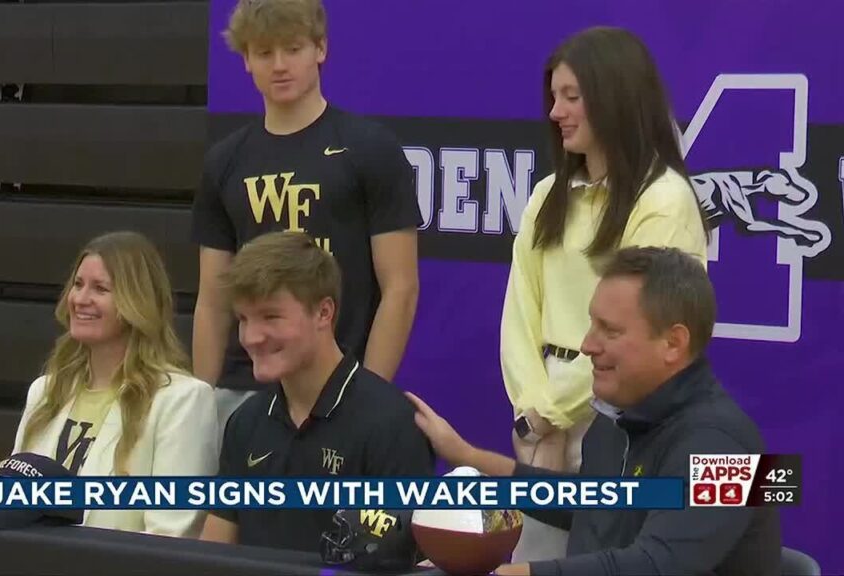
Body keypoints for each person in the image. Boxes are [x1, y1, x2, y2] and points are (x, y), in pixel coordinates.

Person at [409, 246, 781, 576]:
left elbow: (660, 564)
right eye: (591, 324)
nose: (587, 345)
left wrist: (522, 573)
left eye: (610, 330)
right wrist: (469, 456)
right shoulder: (613, 420)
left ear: (673, 343)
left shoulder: (732, 447)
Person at [499, 26, 710, 561]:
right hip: (539, 423)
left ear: (614, 97)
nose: (555, 112)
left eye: (572, 96)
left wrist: (553, 414)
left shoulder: (663, 199)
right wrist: (531, 412)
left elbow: (637, 329)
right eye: (553, 97)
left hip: (616, 425)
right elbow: (520, 310)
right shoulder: (548, 193)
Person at [191, 0, 421, 429]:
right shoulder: (224, 161)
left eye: (293, 49)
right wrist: (200, 402)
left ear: (320, 48)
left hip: (338, 384)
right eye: (264, 52)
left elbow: (401, 288)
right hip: (242, 390)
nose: (279, 65)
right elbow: (212, 299)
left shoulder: (370, 149)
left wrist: (366, 396)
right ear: (245, 60)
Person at [198, 230, 434, 552]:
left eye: (271, 316)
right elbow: (212, 555)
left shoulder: (392, 425)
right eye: (243, 318)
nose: (251, 337)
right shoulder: (245, 423)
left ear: (324, 312)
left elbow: (401, 561)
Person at [13, 231, 219, 538]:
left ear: (137, 302)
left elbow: (171, 537)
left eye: (101, 288)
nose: (81, 299)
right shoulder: (44, 391)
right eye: (78, 285)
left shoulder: (182, 400)